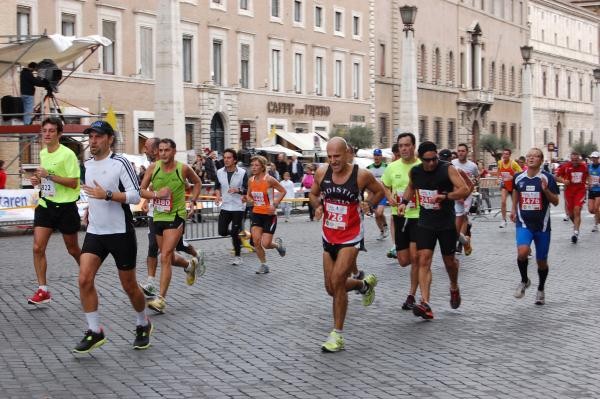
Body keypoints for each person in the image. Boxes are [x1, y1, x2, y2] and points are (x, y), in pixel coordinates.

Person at [75, 120, 150, 353]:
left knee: (129, 286)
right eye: (91, 137)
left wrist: (106, 195)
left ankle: (142, 322)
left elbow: (135, 196)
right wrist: (90, 207)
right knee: (84, 279)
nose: (92, 141)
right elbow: (92, 195)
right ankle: (95, 331)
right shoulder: (87, 164)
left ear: (109, 139)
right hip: (96, 231)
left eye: (97, 137)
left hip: (120, 232)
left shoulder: (120, 163)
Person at [309, 137, 383, 352]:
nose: (333, 161)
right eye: (329, 157)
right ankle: (363, 285)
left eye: (337, 156)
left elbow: (379, 191)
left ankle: (337, 335)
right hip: (328, 235)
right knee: (331, 289)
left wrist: (369, 204)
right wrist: (317, 206)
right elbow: (313, 194)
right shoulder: (322, 173)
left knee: (337, 279)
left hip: (350, 236)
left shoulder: (361, 175)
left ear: (347, 154)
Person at [398, 141, 470, 320]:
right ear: (421, 159)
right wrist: (404, 203)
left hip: (446, 223)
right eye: (427, 160)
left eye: (434, 159)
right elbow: (411, 187)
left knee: (449, 263)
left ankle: (454, 286)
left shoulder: (447, 169)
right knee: (423, 260)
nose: (431, 163)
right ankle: (426, 303)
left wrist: (446, 197)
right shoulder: (415, 171)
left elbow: (464, 190)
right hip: (425, 222)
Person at [139, 138, 202, 313]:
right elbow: (141, 190)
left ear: (174, 151)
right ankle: (189, 265)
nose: (163, 153)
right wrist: (155, 194)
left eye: (167, 150)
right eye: (160, 150)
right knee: (170, 258)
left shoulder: (183, 168)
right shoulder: (153, 168)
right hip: (158, 215)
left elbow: (197, 183)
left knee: (165, 256)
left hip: (176, 215)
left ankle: (161, 299)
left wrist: (193, 201)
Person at [27, 117, 81, 305]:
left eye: (51, 131)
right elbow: (45, 179)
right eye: (45, 130)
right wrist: (38, 181)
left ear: (59, 134)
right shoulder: (42, 153)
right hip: (46, 205)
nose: (47, 134)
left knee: (73, 249)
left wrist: (48, 175)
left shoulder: (68, 155)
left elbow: (74, 182)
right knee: (37, 247)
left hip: (66, 207)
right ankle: (43, 291)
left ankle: (87, 276)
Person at [510, 148, 560, 305]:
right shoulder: (518, 177)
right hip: (524, 223)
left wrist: (545, 191)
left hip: (542, 226)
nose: (531, 158)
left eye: (535, 156)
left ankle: (541, 289)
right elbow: (516, 191)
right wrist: (513, 209)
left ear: (541, 160)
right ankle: (524, 280)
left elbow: (556, 201)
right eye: (529, 156)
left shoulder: (548, 178)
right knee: (522, 252)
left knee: (541, 261)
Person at [381, 133, 421, 310]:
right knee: (404, 260)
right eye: (401, 145)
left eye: (407, 145)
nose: (404, 148)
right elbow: (384, 185)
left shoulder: (421, 166)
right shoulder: (392, 167)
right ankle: (419, 264)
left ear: (413, 146)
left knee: (416, 257)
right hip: (399, 216)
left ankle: (411, 295)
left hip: (418, 216)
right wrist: (389, 196)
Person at [246, 155, 287, 274]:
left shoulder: (269, 179)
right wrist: (250, 200)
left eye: (256, 165)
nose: (253, 167)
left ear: (263, 167)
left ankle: (278, 245)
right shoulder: (251, 180)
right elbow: (249, 194)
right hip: (257, 213)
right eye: (252, 165)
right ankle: (264, 265)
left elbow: (283, 191)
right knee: (256, 241)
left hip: (270, 215)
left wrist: (274, 204)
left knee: (266, 243)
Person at [214, 148, 248, 265]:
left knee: (234, 232)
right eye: (225, 158)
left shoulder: (242, 172)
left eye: (229, 158)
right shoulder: (219, 172)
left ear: (234, 160)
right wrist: (217, 196)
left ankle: (238, 256)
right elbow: (217, 186)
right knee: (222, 231)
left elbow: (247, 189)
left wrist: (238, 190)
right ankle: (237, 235)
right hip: (226, 206)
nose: (226, 160)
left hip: (238, 207)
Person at [451, 144, 478, 255]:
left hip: (467, 195)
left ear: (467, 152)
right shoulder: (453, 164)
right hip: (456, 193)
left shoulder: (472, 166)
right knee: (458, 217)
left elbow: (476, 178)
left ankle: (460, 244)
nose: (461, 153)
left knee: (463, 216)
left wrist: (467, 193)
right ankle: (464, 235)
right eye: (459, 151)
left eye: (463, 151)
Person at [555, 151, 588, 243]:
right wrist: (563, 180)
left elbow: (588, 175)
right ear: (571, 159)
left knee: (577, 210)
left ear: (579, 159)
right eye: (573, 160)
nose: (574, 162)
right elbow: (556, 176)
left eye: (576, 160)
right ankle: (576, 226)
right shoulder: (565, 166)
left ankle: (575, 233)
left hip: (580, 191)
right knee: (571, 214)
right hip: (569, 192)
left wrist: (589, 183)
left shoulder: (584, 166)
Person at [367, 149, 389, 240]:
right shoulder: (369, 168)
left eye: (378, 155)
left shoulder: (387, 167)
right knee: (377, 215)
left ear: (381, 157)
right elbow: (367, 182)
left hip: (383, 193)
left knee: (379, 212)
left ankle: (385, 226)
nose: (376, 157)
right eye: (375, 155)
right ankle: (382, 231)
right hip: (374, 194)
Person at [497, 149, 522, 228]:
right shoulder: (500, 163)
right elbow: (498, 171)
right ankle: (503, 220)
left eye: (507, 154)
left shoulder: (513, 163)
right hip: (505, 185)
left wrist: (513, 176)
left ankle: (516, 218)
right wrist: (498, 178)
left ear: (509, 155)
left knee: (514, 205)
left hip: (513, 186)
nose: (505, 155)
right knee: (503, 201)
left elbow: (521, 172)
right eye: (504, 154)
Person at [587, 152, 600, 232]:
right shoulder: (589, 167)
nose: (594, 159)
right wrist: (588, 183)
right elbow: (588, 177)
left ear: (598, 158)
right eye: (592, 157)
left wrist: (598, 183)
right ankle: (598, 217)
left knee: (596, 208)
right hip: (591, 190)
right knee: (591, 210)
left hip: (599, 190)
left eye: (595, 157)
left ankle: (595, 225)